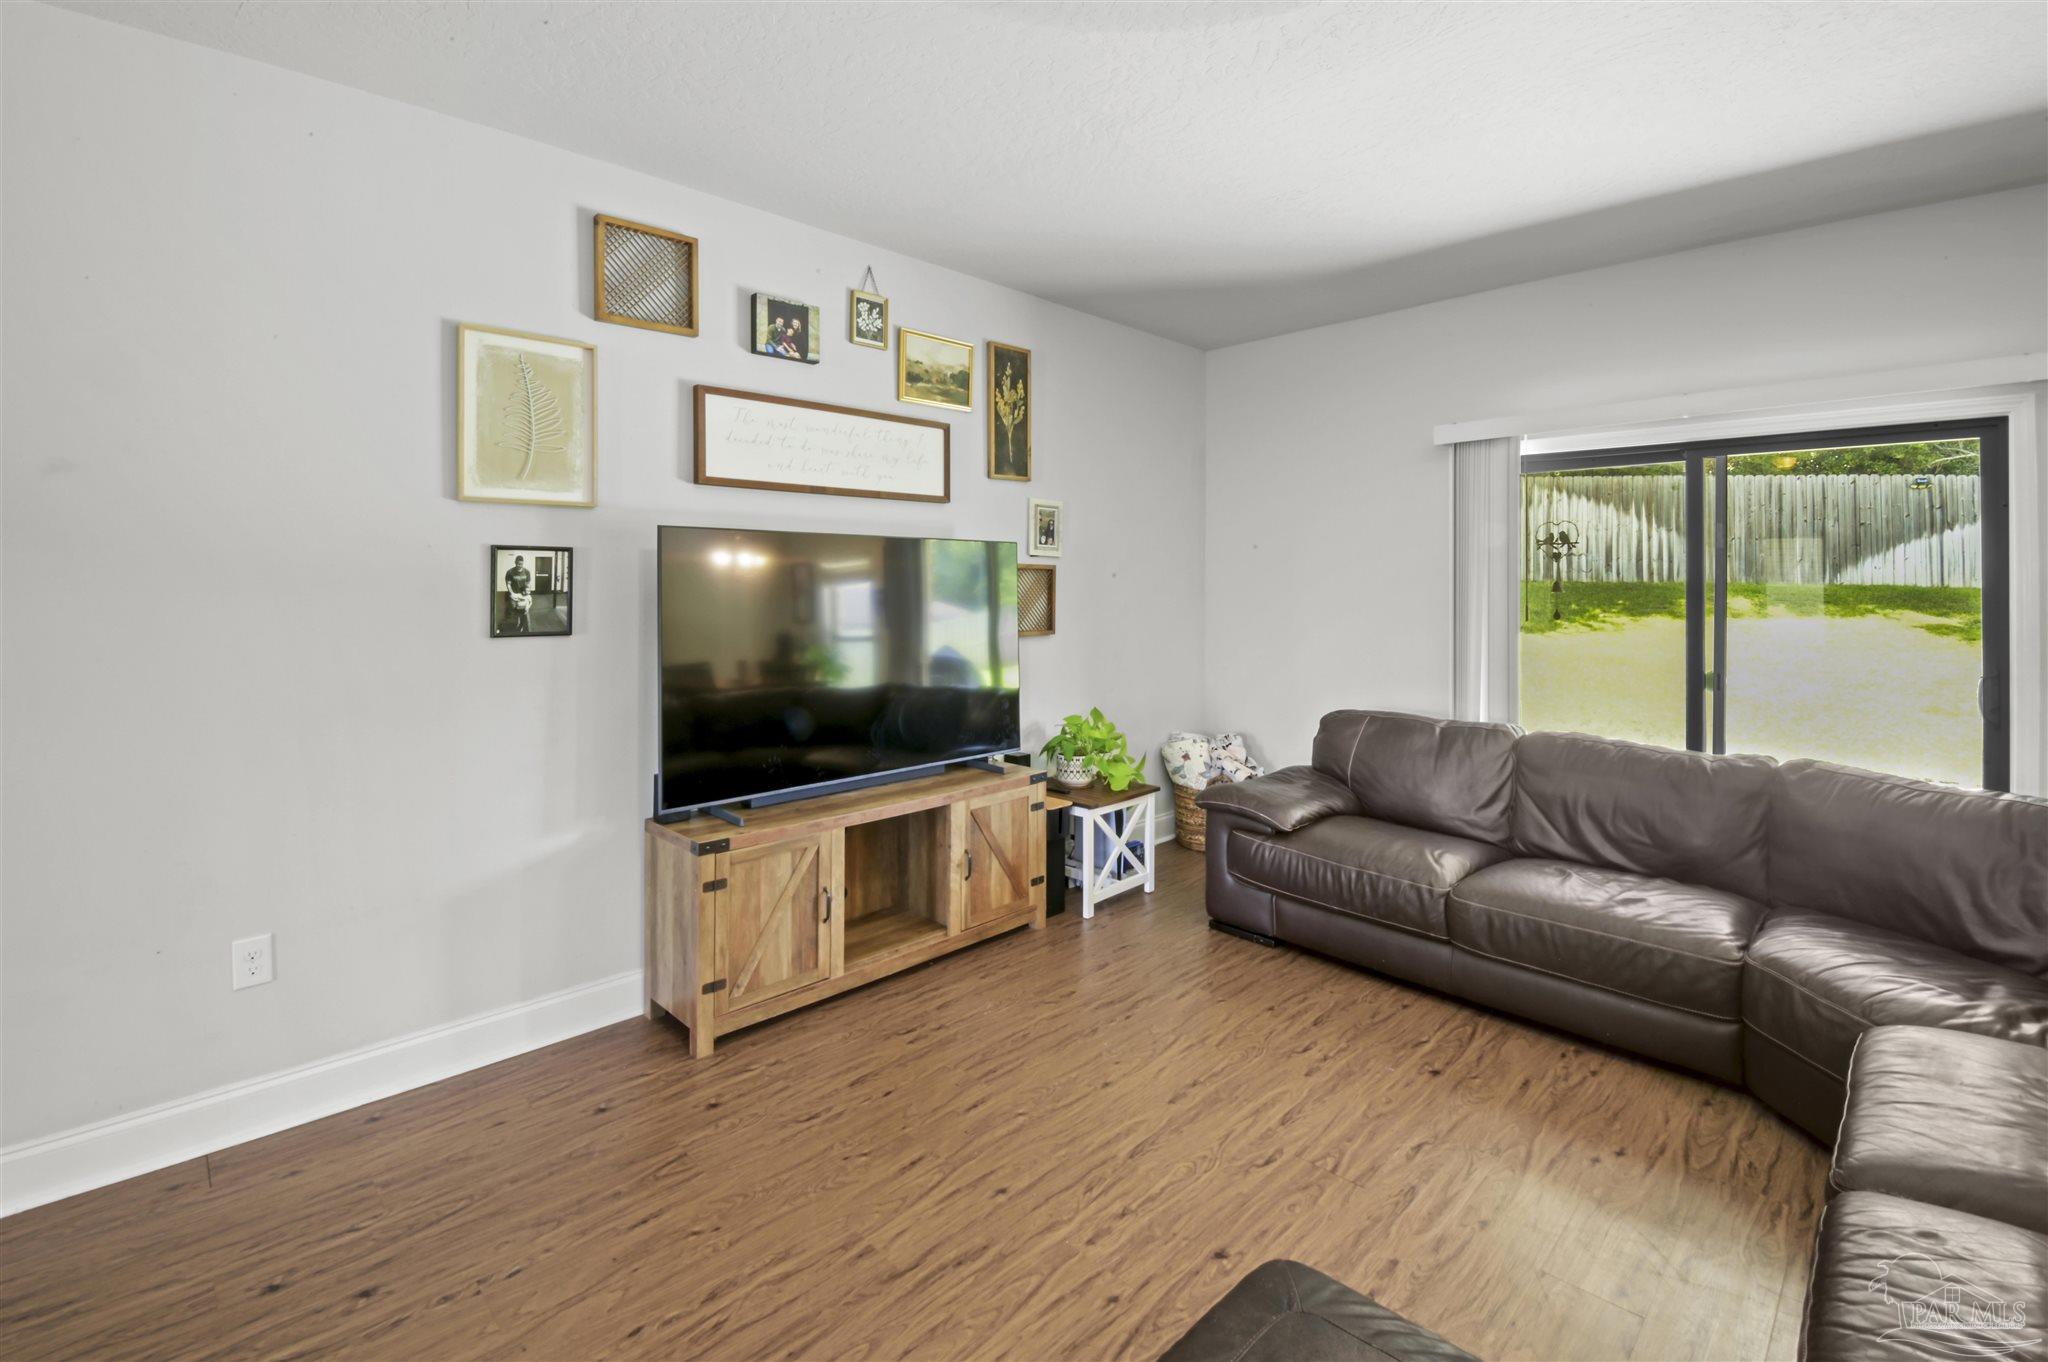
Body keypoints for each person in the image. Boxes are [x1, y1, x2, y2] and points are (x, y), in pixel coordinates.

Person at [503, 554, 533, 634]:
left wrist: (527, 593)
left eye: (521, 564)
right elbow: (508, 584)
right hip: (514, 595)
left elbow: (528, 584)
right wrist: (512, 593)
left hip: (523, 595)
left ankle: (523, 627)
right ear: (515, 562)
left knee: (525, 611)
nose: (519, 565)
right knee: (515, 611)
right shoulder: (510, 572)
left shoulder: (527, 572)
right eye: (518, 564)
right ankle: (516, 626)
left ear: (523, 563)